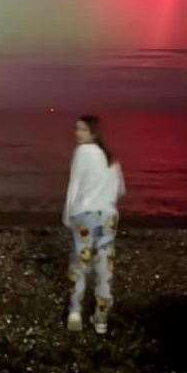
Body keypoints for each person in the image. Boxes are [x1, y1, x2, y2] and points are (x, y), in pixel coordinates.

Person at [62, 114, 126, 334]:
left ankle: (75, 312)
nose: (77, 133)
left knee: (81, 263)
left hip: (85, 215)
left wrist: (67, 215)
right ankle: (101, 319)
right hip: (108, 216)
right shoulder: (111, 158)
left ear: (93, 132)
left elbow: (74, 185)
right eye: (76, 128)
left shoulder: (82, 152)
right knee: (104, 266)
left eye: (81, 129)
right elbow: (119, 190)